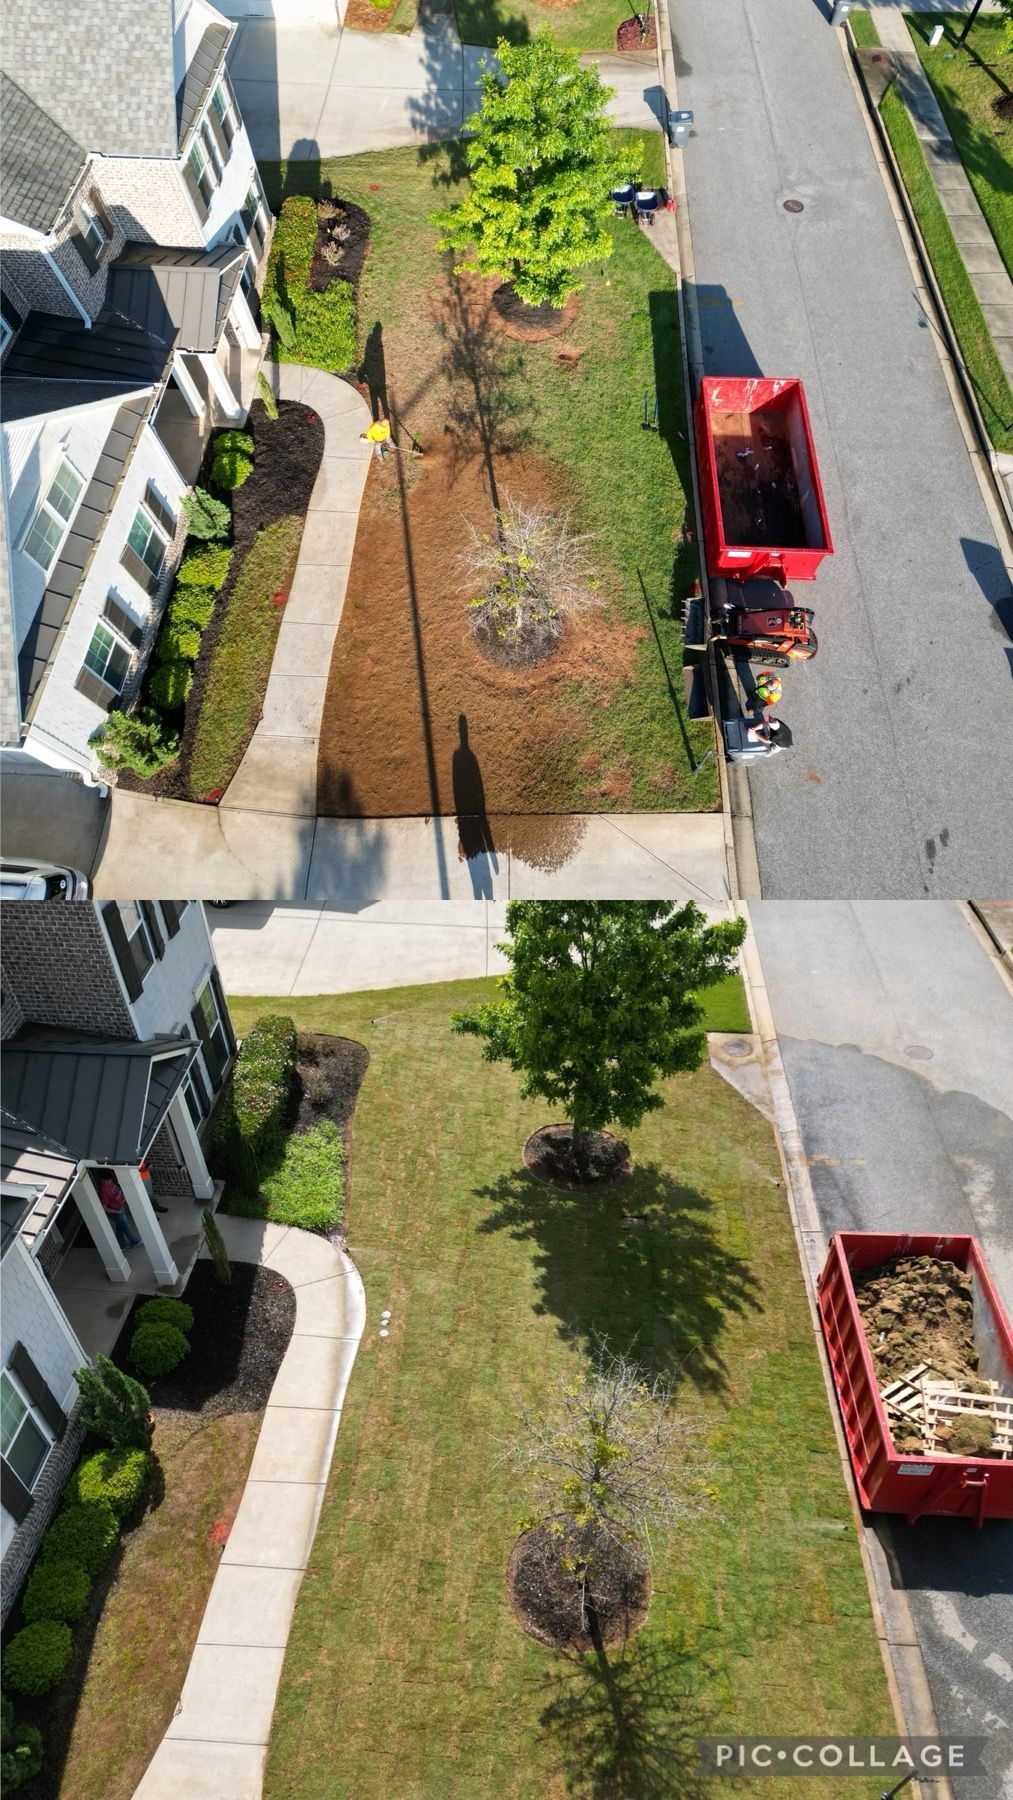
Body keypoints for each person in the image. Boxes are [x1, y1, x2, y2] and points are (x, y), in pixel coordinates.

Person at [97, 1174, 141, 1249]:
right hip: (117, 1213)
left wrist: (123, 1199)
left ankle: (121, 1245)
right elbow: (104, 1208)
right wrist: (117, 1212)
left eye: (108, 1180)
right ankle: (135, 1241)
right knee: (126, 1228)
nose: (107, 1182)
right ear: (101, 1180)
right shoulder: (103, 1190)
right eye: (104, 1180)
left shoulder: (112, 1183)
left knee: (120, 1227)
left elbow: (118, 1192)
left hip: (120, 1209)